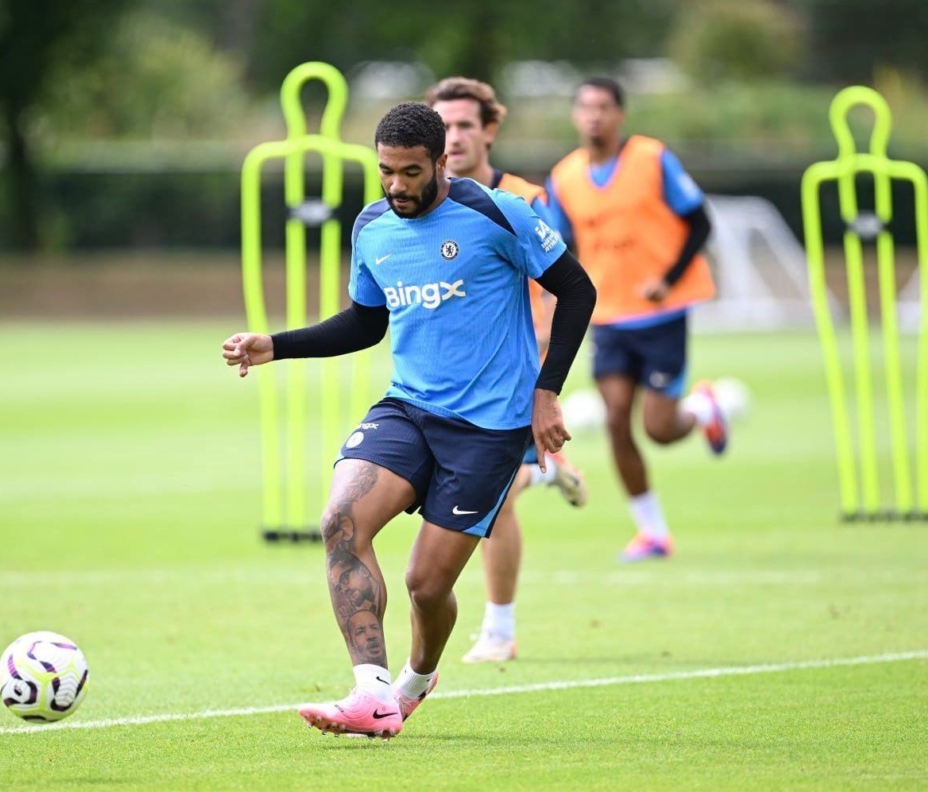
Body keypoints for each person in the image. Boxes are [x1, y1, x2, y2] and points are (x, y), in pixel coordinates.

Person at [222, 101, 596, 739]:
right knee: (340, 519)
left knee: (426, 585)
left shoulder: (495, 213)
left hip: (488, 430)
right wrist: (276, 345)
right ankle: (370, 690)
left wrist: (547, 392)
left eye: (410, 172)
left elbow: (578, 288)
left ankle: (415, 681)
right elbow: (367, 322)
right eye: (386, 171)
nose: (396, 185)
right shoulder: (372, 226)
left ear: (441, 161)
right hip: (408, 409)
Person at [424, 76, 588, 664]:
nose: (455, 136)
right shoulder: (425, 198)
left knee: (496, 501)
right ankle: (546, 470)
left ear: (490, 129)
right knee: (491, 491)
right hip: (448, 383)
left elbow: (564, 281)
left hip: (515, 374)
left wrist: (545, 360)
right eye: (443, 124)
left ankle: (499, 629)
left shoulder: (523, 198)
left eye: (466, 124)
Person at [544, 76, 727, 563]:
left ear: (620, 114)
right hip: (607, 317)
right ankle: (652, 533)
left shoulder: (651, 158)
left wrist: (667, 278)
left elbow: (700, 220)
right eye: (585, 107)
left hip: (661, 314)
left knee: (660, 430)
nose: (594, 116)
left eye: (604, 107)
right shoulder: (563, 177)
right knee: (617, 421)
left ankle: (704, 410)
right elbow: (558, 250)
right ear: (574, 116)